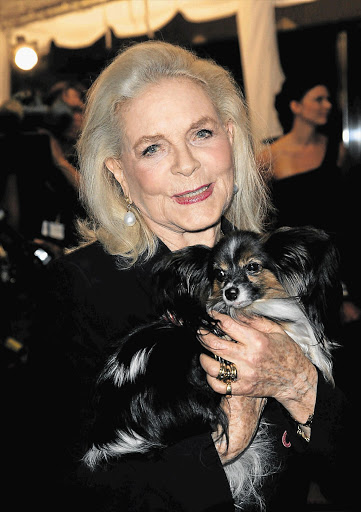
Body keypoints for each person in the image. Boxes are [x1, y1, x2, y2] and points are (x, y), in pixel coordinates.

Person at [24, 42, 353, 512]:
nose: (186, 164)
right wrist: (223, 445)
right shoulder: (78, 290)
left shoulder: (288, 269)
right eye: (153, 147)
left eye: (201, 133)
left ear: (232, 138)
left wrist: (300, 385)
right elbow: (55, 485)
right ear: (118, 172)